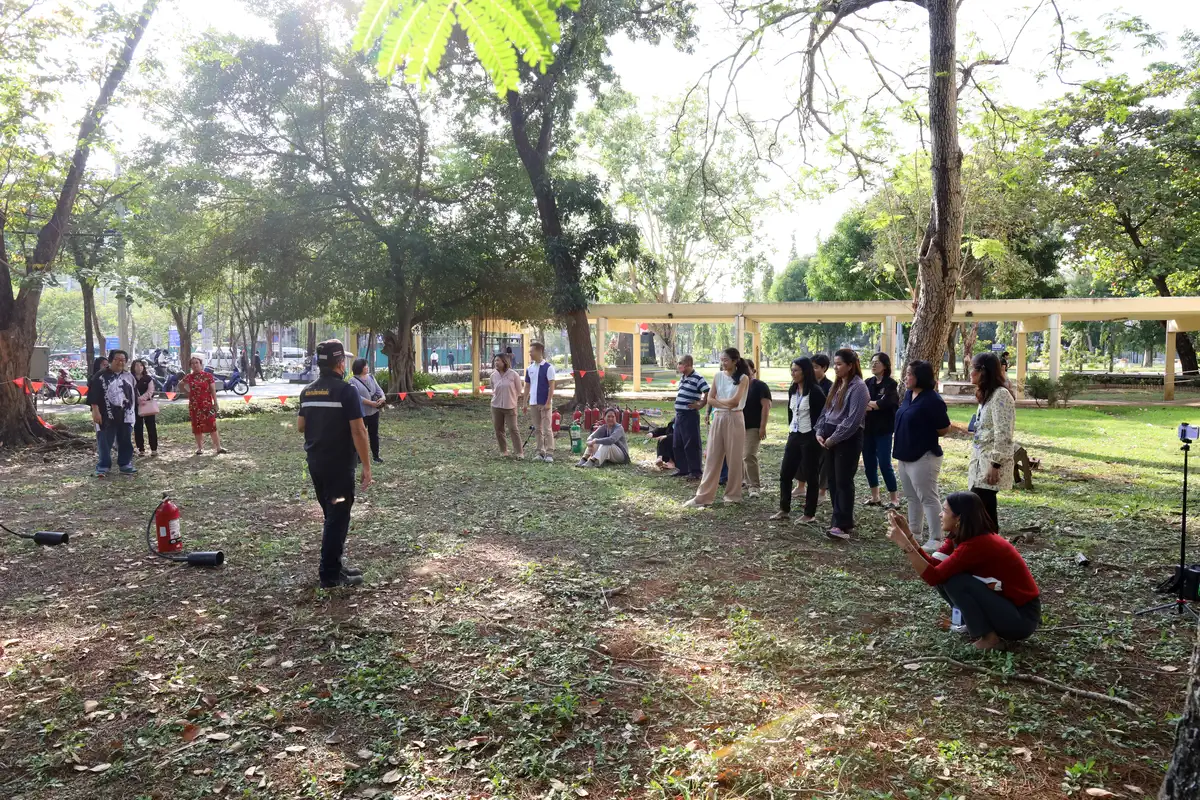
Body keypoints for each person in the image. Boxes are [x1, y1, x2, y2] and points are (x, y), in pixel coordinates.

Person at [886, 492, 1040, 650]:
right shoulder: (961, 537)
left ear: (959, 518)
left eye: (945, 511)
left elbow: (932, 576)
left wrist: (905, 545)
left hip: (1022, 618)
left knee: (954, 581)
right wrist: (908, 535)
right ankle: (975, 625)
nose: (940, 514)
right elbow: (933, 566)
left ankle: (989, 639)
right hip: (1008, 609)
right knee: (946, 577)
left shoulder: (978, 544)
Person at [298, 340, 373, 589]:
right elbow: (359, 431)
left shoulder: (307, 391)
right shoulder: (346, 391)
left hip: (316, 464)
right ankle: (329, 574)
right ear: (340, 363)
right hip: (339, 466)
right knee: (337, 517)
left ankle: (335, 565)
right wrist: (367, 466)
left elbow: (301, 426)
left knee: (332, 514)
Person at [893, 360, 953, 551]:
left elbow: (944, 428)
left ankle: (936, 538)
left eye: (909, 374)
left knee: (928, 497)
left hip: (924, 455)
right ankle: (914, 533)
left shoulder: (932, 400)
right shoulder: (909, 395)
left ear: (921, 377)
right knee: (912, 497)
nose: (906, 377)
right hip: (904, 454)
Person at [685, 348, 750, 508]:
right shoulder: (718, 376)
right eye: (721, 360)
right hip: (719, 417)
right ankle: (703, 497)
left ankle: (733, 496)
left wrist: (719, 402)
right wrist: (722, 403)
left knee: (734, 459)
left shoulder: (743, 378)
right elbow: (710, 399)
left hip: (735, 418)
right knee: (712, 457)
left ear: (735, 361)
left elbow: (735, 402)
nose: (723, 363)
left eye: (726, 360)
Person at [815, 348, 869, 539]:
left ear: (850, 365)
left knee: (843, 480)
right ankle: (838, 519)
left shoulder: (859, 387)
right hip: (829, 437)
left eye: (839, 364)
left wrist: (833, 438)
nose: (835, 368)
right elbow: (826, 411)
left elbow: (852, 420)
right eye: (835, 364)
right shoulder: (837, 385)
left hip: (847, 440)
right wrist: (820, 431)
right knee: (833, 480)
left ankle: (842, 525)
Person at [772, 357, 827, 522]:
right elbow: (791, 413)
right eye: (792, 370)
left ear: (805, 371)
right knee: (785, 473)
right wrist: (791, 430)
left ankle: (809, 514)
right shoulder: (793, 390)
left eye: (796, 370)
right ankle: (784, 509)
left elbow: (822, 417)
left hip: (810, 436)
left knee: (811, 476)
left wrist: (817, 436)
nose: (793, 373)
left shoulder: (815, 392)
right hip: (794, 434)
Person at [968, 352, 1016, 532]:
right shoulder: (986, 395)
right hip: (979, 462)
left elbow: (1004, 433)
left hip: (990, 465)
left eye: (973, 368)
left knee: (985, 515)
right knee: (979, 514)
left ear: (983, 371)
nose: (970, 372)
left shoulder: (1000, 395)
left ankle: (992, 547)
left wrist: (995, 464)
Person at [88, 349, 137, 477]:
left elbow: (133, 395)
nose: (120, 362)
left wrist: (133, 411)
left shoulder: (129, 376)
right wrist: (95, 411)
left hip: (126, 414)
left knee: (125, 440)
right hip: (106, 414)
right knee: (104, 441)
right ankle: (103, 466)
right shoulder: (100, 376)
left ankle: (125, 464)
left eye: (123, 360)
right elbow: (93, 395)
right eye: (117, 359)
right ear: (111, 360)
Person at [862, 352, 900, 509]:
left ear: (885, 365)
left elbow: (885, 403)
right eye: (872, 361)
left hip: (884, 430)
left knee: (884, 463)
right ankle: (875, 497)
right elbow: (862, 403)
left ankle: (894, 499)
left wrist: (871, 405)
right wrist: (873, 404)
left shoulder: (891, 384)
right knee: (869, 463)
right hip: (867, 429)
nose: (873, 364)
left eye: (877, 362)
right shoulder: (867, 383)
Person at [797, 353, 834, 502]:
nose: (813, 370)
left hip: (823, 428)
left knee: (823, 460)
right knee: (802, 455)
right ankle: (800, 486)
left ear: (824, 368)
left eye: (816, 367)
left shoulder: (830, 386)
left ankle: (822, 492)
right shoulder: (804, 384)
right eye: (811, 367)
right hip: (805, 426)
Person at [671, 355, 709, 481]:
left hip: (690, 415)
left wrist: (701, 404)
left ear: (687, 364)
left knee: (691, 444)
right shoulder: (683, 377)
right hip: (679, 415)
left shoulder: (698, 378)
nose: (678, 366)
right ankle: (683, 469)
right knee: (678, 443)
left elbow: (707, 391)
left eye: (680, 363)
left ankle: (695, 471)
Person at [180, 355, 227, 455]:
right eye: (192, 363)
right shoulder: (189, 377)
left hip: (207, 405)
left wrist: (215, 403)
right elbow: (180, 385)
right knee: (197, 427)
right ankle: (200, 448)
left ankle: (218, 447)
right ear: (190, 366)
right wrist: (187, 393)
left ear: (201, 364)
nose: (195, 365)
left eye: (197, 363)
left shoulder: (208, 376)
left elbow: (213, 390)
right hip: (194, 406)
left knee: (212, 425)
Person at [740, 361, 772, 497]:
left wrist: (762, 427)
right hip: (737, 425)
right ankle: (743, 481)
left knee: (749, 455)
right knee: (739, 456)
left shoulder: (760, 386)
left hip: (753, 426)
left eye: (747, 369)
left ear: (753, 370)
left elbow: (766, 406)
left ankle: (754, 486)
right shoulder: (737, 385)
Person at [523, 341, 556, 462]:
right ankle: (539, 452)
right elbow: (527, 386)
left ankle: (549, 453)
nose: (530, 353)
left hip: (544, 402)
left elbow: (551, 386)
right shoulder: (530, 368)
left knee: (547, 429)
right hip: (533, 402)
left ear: (539, 351)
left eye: (532, 351)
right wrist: (524, 403)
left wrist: (548, 402)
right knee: (537, 429)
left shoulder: (548, 367)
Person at [350, 358, 386, 464]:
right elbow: (357, 396)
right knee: (360, 434)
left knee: (374, 434)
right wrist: (370, 403)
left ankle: (376, 456)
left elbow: (379, 390)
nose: (367, 367)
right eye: (365, 365)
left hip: (374, 412)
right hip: (361, 413)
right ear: (360, 367)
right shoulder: (352, 381)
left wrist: (382, 398)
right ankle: (358, 456)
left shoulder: (371, 377)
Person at [489, 353, 523, 458]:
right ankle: (503, 451)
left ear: (504, 362)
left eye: (498, 360)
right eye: (495, 361)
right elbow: (493, 389)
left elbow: (519, 390)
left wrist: (513, 400)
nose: (496, 363)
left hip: (510, 406)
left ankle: (519, 452)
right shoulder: (493, 376)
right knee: (498, 429)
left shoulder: (513, 375)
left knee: (513, 429)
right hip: (496, 406)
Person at [131, 359, 160, 457]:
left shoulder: (148, 378)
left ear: (143, 367)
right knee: (138, 427)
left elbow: (150, 391)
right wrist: (136, 400)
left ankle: (154, 448)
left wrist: (141, 399)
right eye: (136, 365)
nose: (138, 367)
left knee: (151, 427)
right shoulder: (130, 378)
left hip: (147, 405)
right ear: (133, 367)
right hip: (135, 406)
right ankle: (141, 449)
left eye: (141, 365)